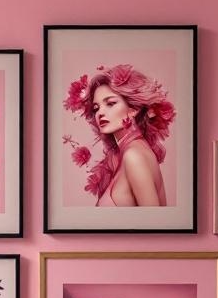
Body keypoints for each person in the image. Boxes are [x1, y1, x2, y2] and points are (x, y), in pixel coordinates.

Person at [63, 64, 176, 207]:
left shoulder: (134, 155)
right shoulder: (131, 151)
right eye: (96, 108)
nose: (100, 113)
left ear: (133, 109)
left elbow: (154, 224)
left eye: (110, 103)